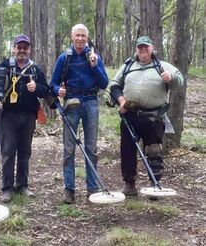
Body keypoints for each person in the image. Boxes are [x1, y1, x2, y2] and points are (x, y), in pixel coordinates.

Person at [110, 36, 184, 196]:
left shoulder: (162, 66)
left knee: (154, 150)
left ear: (152, 48)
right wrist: (121, 101)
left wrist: (170, 78)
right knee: (128, 151)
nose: (143, 49)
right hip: (130, 116)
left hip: (154, 117)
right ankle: (129, 185)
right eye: (140, 47)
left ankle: (155, 185)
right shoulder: (127, 66)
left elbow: (180, 80)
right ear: (136, 49)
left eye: (146, 47)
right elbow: (114, 85)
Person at [0, 34, 50, 203]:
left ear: (29, 49)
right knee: (7, 152)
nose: (22, 50)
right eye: (19, 47)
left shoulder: (35, 69)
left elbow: (45, 90)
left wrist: (36, 87)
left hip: (29, 116)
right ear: (14, 48)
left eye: (25, 47)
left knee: (25, 152)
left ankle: (22, 185)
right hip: (7, 115)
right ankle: (7, 188)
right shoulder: (4, 66)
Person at [50, 24, 109, 204]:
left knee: (91, 148)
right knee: (69, 149)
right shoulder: (64, 58)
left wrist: (94, 66)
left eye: (83, 36)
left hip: (91, 103)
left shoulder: (94, 57)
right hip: (71, 104)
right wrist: (58, 90)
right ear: (72, 37)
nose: (80, 39)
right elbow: (53, 83)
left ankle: (92, 188)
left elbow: (104, 83)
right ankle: (69, 190)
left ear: (87, 38)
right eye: (77, 35)